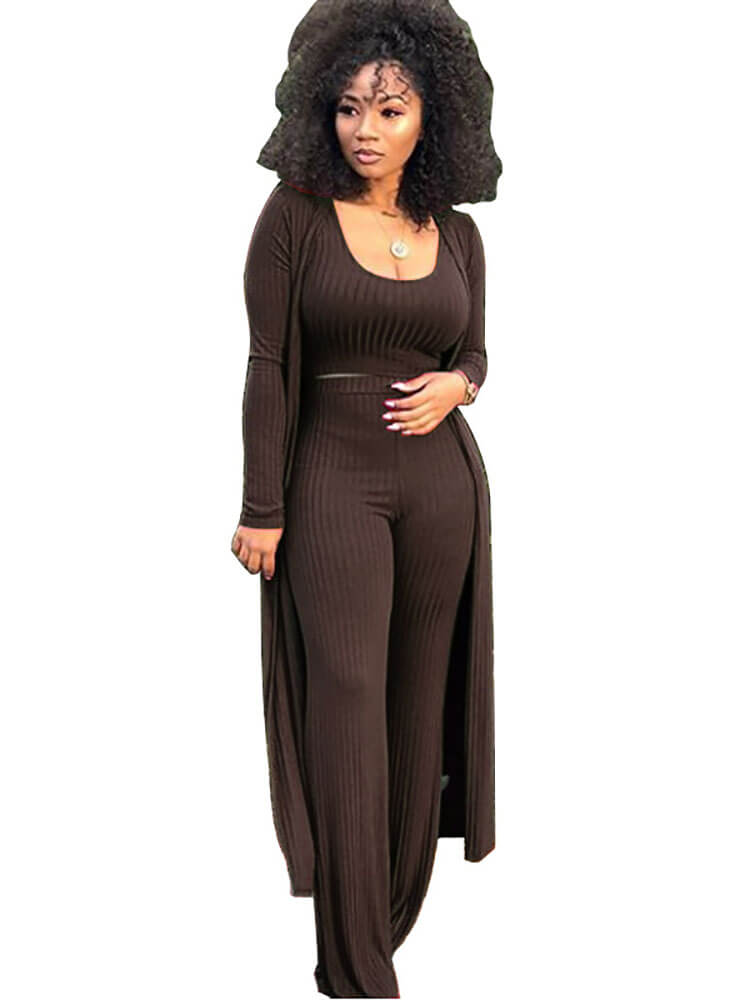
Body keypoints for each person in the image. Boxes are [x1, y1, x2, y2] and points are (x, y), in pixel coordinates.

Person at [230, 1, 502, 995]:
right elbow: (267, 365)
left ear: (433, 117)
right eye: (348, 108)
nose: (366, 130)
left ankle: (378, 927)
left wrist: (461, 383)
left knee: (417, 714)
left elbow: (474, 351)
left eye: (390, 110)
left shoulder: (458, 235)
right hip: (329, 482)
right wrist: (262, 505)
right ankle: (359, 972)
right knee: (345, 704)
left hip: (442, 493)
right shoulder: (294, 216)